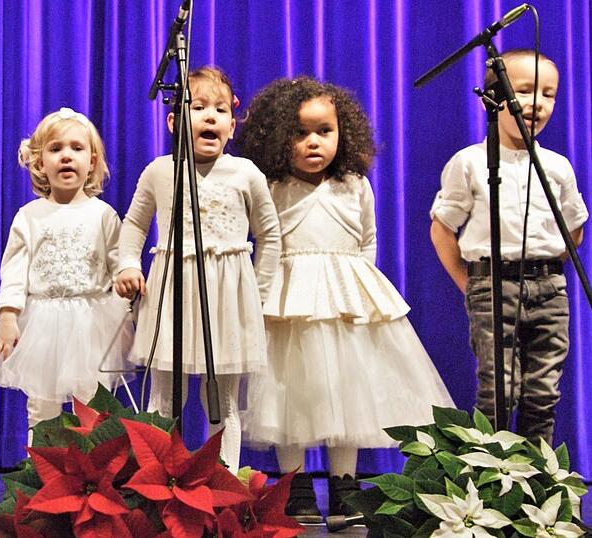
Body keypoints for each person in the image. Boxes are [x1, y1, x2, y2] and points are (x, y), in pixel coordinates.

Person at [238, 76, 454, 522]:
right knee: (288, 391)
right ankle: (295, 483)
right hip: (288, 299)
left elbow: (367, 242)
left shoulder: (355, 184)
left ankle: (344, 484)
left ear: (342, 133)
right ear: (279, 137)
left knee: (348, 390)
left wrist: (355, 287)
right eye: (299, 133)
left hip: (345, 298)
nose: (313, 142)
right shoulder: (271, 187)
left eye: (323, 131)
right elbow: (259, 239)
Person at [115, 66, 282, 473]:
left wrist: (256, 297)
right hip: (173, 292)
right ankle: (156, 477)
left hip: (227, 300)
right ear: (174, 121)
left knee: (221, 401)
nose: (210, 116)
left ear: (231, 124)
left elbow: (271, 235)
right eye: (199, 107)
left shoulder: (246, 174)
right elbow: (135, 223)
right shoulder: (159, 171)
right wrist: (126, 264)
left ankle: (221, 483)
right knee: (165, 397)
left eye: (221, 109)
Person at [430, 50, 587, 444]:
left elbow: (574, 229)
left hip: (550, 288)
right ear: (494, 97)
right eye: (525, 90)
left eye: (549, 94)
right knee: (500, 389)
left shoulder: (556, 165)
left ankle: (538, 479)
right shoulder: (470, 162)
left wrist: (544, 262)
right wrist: (470, 284)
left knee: (543, 390)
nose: (537, 103)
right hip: (493, 285)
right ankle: (492, 476)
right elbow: (442, 228)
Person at [0, 107, 132, 445]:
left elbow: (119, 263)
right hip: (44, 320)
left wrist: (127, 296)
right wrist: (8, 317)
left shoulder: (103, 215)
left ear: (92, 161)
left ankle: (91, 480)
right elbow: (14, 271)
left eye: (76, 149)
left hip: (92, 322)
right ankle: (41, 478)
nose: (66, 157)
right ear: (39, 162)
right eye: (56, 149)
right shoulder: (30, 216)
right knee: (42, 406)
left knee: (91, 404)